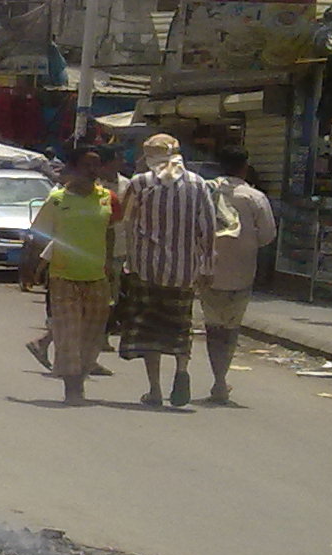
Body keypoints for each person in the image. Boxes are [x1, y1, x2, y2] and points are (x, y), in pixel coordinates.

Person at [111, 132, 219, 408]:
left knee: (150, 329)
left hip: (145, 269)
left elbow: (127, 223)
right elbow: (208, 228)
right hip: (184, 272)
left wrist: (128, 261)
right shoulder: (198, 184)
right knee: (180, 325)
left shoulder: (140, 183)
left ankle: (155, 389)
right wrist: (207, 267)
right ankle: (182, 371)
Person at [22, 145, 117, 404]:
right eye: (87, 165)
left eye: (96, 165)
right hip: (63, 278)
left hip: (97, 278)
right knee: (68, 336)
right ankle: (72, 389)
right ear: (73, 168)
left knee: (92, 337)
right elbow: (38, 237)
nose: (92, 170)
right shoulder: (57, 200)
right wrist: (28, 268)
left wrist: (110, 265)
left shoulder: (106, 197)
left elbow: (109, 232)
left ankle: (80, 378)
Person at [198, 153, 277, 406]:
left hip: (208, 271)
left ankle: (218, 378)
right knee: (231, 329)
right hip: (242, 273)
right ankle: (221, 380)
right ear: (245, 168)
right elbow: (267, 235)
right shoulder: (254, 197)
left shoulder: (205, 192)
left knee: (213, 328)